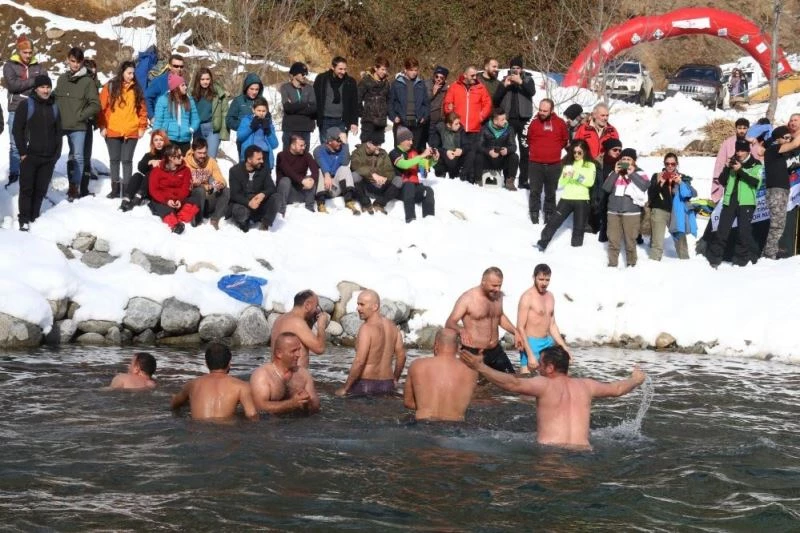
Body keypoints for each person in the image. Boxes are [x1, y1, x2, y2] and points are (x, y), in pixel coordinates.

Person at [460, 345, 646, 450]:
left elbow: (511, 384)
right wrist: (635, 380)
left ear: (549, 368)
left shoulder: (544, 384)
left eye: (540, 365)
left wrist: (481, 368)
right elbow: (618, 389)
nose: (537, 368)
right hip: (584, 454)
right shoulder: (586, 385)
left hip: (551, 455)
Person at [445, 267, 522, 374]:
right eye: (494, 285)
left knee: (512, 381)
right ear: (483, 282)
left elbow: (499, 316)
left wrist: (515, 331)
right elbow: (449, 322)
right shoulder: (468, 298)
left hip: (495, 350)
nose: (498, 289)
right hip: (473, 351)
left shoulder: (498, 296)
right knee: (475, 388)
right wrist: (461, 330)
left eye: (500, 285)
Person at [12, 74, 62, 231]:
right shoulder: (26, 105)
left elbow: (58, 132)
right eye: (42, 87)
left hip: (48, 157)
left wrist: (56, 155)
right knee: (27, 188)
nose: (46, 90)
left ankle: (34, 217)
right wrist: (22, 152)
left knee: (40, 190)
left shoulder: (54, 106)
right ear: (36, 88)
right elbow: (16, 130)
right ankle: (24, 219)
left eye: (48, 87)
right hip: (30, 155)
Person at [706, 139, 763, 268]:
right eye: (737, 150)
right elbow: (722, 180)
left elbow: (755, 183)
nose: (739, 153)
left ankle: (740, 261)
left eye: (742, 150)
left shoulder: (756, 164)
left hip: (746, 202)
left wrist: (740, 170)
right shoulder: (732, 162)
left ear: (748, 151)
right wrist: (727, 167)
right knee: (722, 231)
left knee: (743, 232)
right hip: (730, 200)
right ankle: (714, 259)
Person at [53, 47, 100, 201]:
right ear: (68, 60)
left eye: (78, 62)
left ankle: (74, 187)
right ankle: (45, 182)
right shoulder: (62, 79)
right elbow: (53, 98)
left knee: (78, 157)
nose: (75, 64)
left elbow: (95, 105)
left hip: (79, 126)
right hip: (61, 124)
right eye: (73, 61)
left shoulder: (87, 81)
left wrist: (81, 116)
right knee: (53, 154)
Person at [336, 290, 402, 397]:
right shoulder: (392, 326)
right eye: (358, 304)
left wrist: (345, 388)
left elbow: (360, 361)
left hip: (366, 385)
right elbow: (402, 356)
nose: (358, 308)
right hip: (387, 384)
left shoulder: (366, 329)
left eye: (362, 304)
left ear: (375, 307)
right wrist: (395, 379)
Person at [97, 60, 147, 199]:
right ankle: (115, 189)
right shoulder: (111, 86)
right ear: (122, 72)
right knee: (114, 160)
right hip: (113, 129)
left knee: (127, 161)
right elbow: (102, 108)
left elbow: (142, 110)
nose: (131, 76)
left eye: (133, 73)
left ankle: (127, 189)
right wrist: (102, 126)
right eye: (129, 73)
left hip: (131, 130)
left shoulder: (137, 89)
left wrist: (142, 126)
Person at [403, 328, 477, 422]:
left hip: (423, 425)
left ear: (436, 344)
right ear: (458, 347)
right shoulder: (471, 370)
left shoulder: (417, 365)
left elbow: (408, 402)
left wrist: (426, 406)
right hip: (455, 427)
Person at [170, 343, 257, 421]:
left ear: (206, 364)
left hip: (198, 434)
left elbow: (174, 403)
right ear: (229, 363)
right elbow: (252, 415)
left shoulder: (192, 385)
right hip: (225, 433)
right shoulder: (241, 386)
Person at [536, 140, 595, 251]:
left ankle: (575, 251)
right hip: (566, 198)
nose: (576, 155)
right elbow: (562, 182)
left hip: (582, 200)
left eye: (579, 152)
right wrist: (566, 175)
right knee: (553, 222)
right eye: (574, 152)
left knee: (578, 229)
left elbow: (589, 182)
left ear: (585, 152)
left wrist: (576, 175)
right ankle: (541, 244)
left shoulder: (590, 165)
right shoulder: (569, 164)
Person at [4, 34, 45, 187]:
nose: (28, 55)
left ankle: (30, 173)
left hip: (35, 109)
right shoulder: (9, 65)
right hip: (16, 109)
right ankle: (14, 175)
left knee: (33, 143)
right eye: (25, 52)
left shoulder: (39, 66)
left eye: (30, 52)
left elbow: (45, 84)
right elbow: (13, 85)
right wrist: (34, 81)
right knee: (15, 144)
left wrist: (27, 85)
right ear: (19, 51)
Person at [516, 264, 570, 374]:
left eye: (547, 280)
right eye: (541, 279)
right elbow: (520, 327)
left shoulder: (550, 296)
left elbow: (552, 325)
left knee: (558, 377)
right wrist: (530, 354)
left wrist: (564, 347)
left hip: (547, 343)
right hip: (531, 343)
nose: (544, 283)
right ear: (534, 277)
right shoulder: (527, 297)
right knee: (527, 384)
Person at [442, 65, 492, 183]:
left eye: (476, 75)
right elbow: (448, 103)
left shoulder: (480, 88)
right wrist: (451, 114)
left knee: (473, 153)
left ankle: (471, 179)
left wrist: (481, 116)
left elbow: (488, 104)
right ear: (465, 75)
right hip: (460, 128)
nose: (475, 77)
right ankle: (457, 176)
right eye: (472, 75)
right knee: (459, 152)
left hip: (475, 128)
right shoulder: (455, 87)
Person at [250, 332, 320, 415]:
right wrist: (291, 404)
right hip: (271, 425)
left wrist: (307, 401)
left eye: (299, 350)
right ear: (279, 353)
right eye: (293, 351)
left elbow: (316, 406)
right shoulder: (262, 375)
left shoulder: (303, 374)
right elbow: (259, 407)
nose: (299, 355)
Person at [602, 148, 649, 267]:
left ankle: (632, 265)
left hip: (631, 212)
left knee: (630, 242)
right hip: (613, 211)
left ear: (634, 161)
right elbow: (606, 188)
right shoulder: (614, 172)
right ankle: (612, 265)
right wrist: (615, 173)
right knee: (613, 241)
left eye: (629, 159)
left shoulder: (640, 172)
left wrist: (631, 173)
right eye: (623, 159)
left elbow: (644, 186)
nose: (626, 161)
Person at [494, 56, 536, 189]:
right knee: (508, 149)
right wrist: (504, 86)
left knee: (525, 150)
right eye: (513, 69)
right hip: (508, 121)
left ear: (522, 69)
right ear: (510, 69)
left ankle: (523, 180)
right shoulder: (505, 80)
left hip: (524, 120)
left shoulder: (528, 79)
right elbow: (495, 100)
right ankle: (508, 177)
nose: (515, 71)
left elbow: (532, 92)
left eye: (518, 68)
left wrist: (521, 82)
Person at [648, 153, 698, 261]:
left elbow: (693, 193)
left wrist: (680, 183)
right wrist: (660, 183)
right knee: (657, 242)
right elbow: (651, 194)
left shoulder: (682, 177)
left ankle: (685, 262)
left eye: (673, 164)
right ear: (664, 164)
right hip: (659, 210)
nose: (670, 166)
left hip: (676, 212)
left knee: (681, 240)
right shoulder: (657, 176)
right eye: (667, 164)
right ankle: (653, 264)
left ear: (676, 164)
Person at [527, 98, 569, 224]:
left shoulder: (560, 123)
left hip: (553, 164)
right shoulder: (534, 123)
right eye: (540, 110)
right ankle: (534, 212)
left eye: (545, 110)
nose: (542, 112)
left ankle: (549, 213)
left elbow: (564, 140)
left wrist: (553, 150)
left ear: (552, 110)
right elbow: (529, 139)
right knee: (535, 190)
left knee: (551, 191)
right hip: (535, 163)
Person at [762, 126, 800, 259]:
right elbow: (796, 143)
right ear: (778, 139)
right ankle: (769, 255)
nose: (789, 140)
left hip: (782, 191)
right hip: (776, 191)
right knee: (777, 225)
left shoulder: (779, 153)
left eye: (790, 137)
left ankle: (770, 251)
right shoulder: (773, 150)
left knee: (779, 224)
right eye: (786, 138)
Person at [271, 290, 330, 368]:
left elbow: (303, 339)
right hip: (294, 377)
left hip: (278, 375)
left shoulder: (280, 319)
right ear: (307, 305)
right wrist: (321, 325)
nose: (317, 310)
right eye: (316, 306)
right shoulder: (297, 322)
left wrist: (311, 322)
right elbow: (320, 349)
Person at [227, 145, 281, 231]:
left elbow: (271, 187)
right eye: (258, 159)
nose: (262, 161)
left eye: (262, 158)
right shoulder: (235, 171)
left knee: (277, 197)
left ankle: (265, 224)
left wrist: (263, 194)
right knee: (241, 212)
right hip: (243, 203)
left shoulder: (264, 169)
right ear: (249, 160)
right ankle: (244, 223)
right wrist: (249, 203)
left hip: (258, 202)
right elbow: (235, 194)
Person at [147, 144, 199, 234]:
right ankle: (175, 224)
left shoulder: (185, 170)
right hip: (163, 200)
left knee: (195, 201)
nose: (181, 158)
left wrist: (180, 199)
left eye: (181, 155)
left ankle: (178, 216)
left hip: (178, 199)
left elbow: (186, 188)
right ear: (170, 158)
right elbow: (154, 190)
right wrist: (167, 200)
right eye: (178, 156)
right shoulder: (157, 170)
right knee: (163, 207)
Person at [389, 126, 437, 223]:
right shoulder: (394, 153)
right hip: (399, 189)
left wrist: (434, 159)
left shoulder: (413, 153)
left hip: (412, 189)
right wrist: (422, 155)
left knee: (428, 190)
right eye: (408, 140)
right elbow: (405, 165)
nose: (411, 142)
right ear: (401, 140)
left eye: (412, 140)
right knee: (409, 185)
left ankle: (429, 218)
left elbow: (425, 164)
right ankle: (411, 218)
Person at [312, 127, 362, 214]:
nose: (340, 143)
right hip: (324, 186)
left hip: (336, 186)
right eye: (338, 140)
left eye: (341, 141)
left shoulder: (342, 148)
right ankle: (321, 204)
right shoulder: (318, 150)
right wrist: (327, 175)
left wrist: (345, 143)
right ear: (330, 140)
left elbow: (346, 162)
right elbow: (322, 163)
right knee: (320, 171)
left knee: (345, 168)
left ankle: (348, 200)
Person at [119, 130, 169, 211]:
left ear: (165, 141)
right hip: (147, 185)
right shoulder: (149, 155)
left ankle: (138, 196)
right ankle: (127, 198)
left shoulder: (169, 154)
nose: (158, 142)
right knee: (137, 176)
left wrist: (161, 164)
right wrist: (150, 162)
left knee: (151, 173)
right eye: (156, 140)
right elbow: (140, 167)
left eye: (161, 140)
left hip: (160, 186)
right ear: (152, 142)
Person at [185, 138, 229, 229]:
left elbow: (219, 176)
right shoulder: (185, 162)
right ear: (193, 151)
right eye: (199, 153)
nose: (202, 155)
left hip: (206, 197)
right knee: (200, 190)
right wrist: (192, 184)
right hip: (192, 197)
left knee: (226, 191)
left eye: (204, 153)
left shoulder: (211, 161)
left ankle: (215, 218)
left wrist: (220, 183)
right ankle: (198, 218)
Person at [351, 133, 399, 214]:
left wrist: (385, 178)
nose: (379, 147)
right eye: (376, 144)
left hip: (381, 187)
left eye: (380, 144)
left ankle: (379, 203)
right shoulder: (357, 152)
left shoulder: (383, 153)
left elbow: (390, 170)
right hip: (365, 187)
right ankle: (365, 204)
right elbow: (356, 166)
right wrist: (373, 175)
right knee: (354, 175)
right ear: (368, 144)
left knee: (398, 179)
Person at [389, 57, 430, 153]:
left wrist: (424, 116)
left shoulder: (421, 84)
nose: (414, 73)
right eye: (411, 70)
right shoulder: (396, 84)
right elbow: (390, 102)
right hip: (401, 123)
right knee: (400, 151)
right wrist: (393, 116)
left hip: (417, 124)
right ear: (405, 70)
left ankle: (413, 168)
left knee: (414, 151)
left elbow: (426, 103)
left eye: (416, 70)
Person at [314, 56, 359, 139]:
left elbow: (354, 103)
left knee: (341, 147)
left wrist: (354, 122)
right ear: (333, 67)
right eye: (340, 69)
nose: (343, 72)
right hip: (325, 120)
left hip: (342, 121)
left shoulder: (350, 82)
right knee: (326, 147)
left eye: (345, 69)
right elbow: (316, 98)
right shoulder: (322, 79)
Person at [152, 73, 199, 153]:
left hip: (185, 140)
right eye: (183, 85)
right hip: (169, 139)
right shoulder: (163, 100)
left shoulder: (189, 100)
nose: (186, 87)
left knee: (183, 164)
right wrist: (156, 139)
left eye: (185, 85)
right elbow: (158, 121)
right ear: (176, 88)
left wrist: (190, 129)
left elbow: (195, 118)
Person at [275, 134, 320, 213]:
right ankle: (281, 210)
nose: (304, 147)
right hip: (286, 193)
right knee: (286, 180)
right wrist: (302, 181)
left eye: (304, 145)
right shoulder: (281, 155)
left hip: (300, 191)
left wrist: (312, 179)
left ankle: (309, 208)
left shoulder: (306, 155)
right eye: (301, 145)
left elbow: (315, 170)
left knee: (310, 179)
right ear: (292, 145)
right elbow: (288, 171)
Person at [190, 67, 229, 158]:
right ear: (198, 80)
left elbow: (224, 112)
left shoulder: (217, 93)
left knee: (211, 157)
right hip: (197, 128)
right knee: (198, 157)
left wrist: (224, 132)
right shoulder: (192, 93)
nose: (205, 82)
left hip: (213, 128)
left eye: (207, 79)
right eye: (202, 79)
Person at [475, 107, 518, 189]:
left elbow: (514, 146)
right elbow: (479, 146)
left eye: (505, 118)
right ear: (495, 121)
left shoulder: (509, 129)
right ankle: (478, 180)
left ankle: (510, 182)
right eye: (502, 119)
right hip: (488, 159)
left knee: (514, 156)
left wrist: (507, 150)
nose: (505, 121)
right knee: (478, 156)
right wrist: (489, 152)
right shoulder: (484, 128)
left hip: (502, 159)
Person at [711, 118, 751, 204]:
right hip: (731, 180)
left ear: (748, 129)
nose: (742, 131)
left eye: (744, 128)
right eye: (740, 128)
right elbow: (720, 161)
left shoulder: (751, 142)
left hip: (746, 181)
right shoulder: (728, 143)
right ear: (736, 128)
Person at [279, 62, 316, 149]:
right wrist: (306, 104)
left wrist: (294, 107)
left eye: (306, 74)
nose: (304, 76)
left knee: (304, 158)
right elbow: (287, 108)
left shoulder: (309, 88)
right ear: (294, 74)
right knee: (287, 157)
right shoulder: (285, 87)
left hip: (305, 129)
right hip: (290, 128)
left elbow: (313, 109)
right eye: (302, 73)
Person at [226, 72, 263, 156]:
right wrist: (243, 126)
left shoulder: (261, 100)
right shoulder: (238, 101)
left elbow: (267, 117)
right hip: (244, 139)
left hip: (259, 139)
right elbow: (229, 120)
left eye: (256, 89)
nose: (254, 92)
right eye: (251, 89)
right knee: (245, 165)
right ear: (246, 88)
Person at [236, 96, 279, 168]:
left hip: (265, 154)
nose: (261, 113)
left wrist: (268, 131)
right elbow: (240, 137)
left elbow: (275, 145)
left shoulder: (268, 123)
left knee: (265, 178)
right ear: (253, 110)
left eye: (263, 111)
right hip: (250, 154)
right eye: (259, 110)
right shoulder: (247, 120)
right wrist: (251, 127)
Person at [357, 56, 391, 145]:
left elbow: (389, 100)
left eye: (386, 70)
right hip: (368, 121)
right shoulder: (366, 81)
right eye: (382, 69)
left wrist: (386, 111)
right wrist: (362, 112)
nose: (384, 72)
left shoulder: (387, 83)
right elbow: (358, 98)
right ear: (376, 68)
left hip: (381, 121)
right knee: (366, 147)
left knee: (377, 149)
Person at [594, 138, 623, 242]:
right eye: (615, 149)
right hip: (600, 195)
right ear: (608, 149)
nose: (618, 152)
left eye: (620, 150)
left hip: (615, 196)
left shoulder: (621, 163)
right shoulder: (598, 163)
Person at [144, 53, 186, 118]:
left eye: (181, 66)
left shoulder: (183, 82)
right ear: (169, 66)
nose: (179, 69)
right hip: (162, 122)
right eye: (176, 66)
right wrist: (152, 116)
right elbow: (146, 97)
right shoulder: (160, 81)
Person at [429, 112, 468, 180]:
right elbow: (434, 146)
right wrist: (446, 152)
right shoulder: (439, 129)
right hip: (444, 155)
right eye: (456, 124)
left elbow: (467, 144)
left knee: (471, 153)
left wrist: (462, 150)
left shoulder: (460, 129)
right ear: (449, 125)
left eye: (459, 123)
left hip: (457, 155)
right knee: (436, 154)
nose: (459, 125)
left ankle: (462, 177)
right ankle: (441, 174)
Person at [423, 65, 449, 147]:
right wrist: (433, 92)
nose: (438, 79)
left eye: (442, 78)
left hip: (438, 120)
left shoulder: (446, 88)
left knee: (435, 144)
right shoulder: (426, 84)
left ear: (445, 79)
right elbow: (423, 101)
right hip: (425, 119)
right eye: (437, 76)